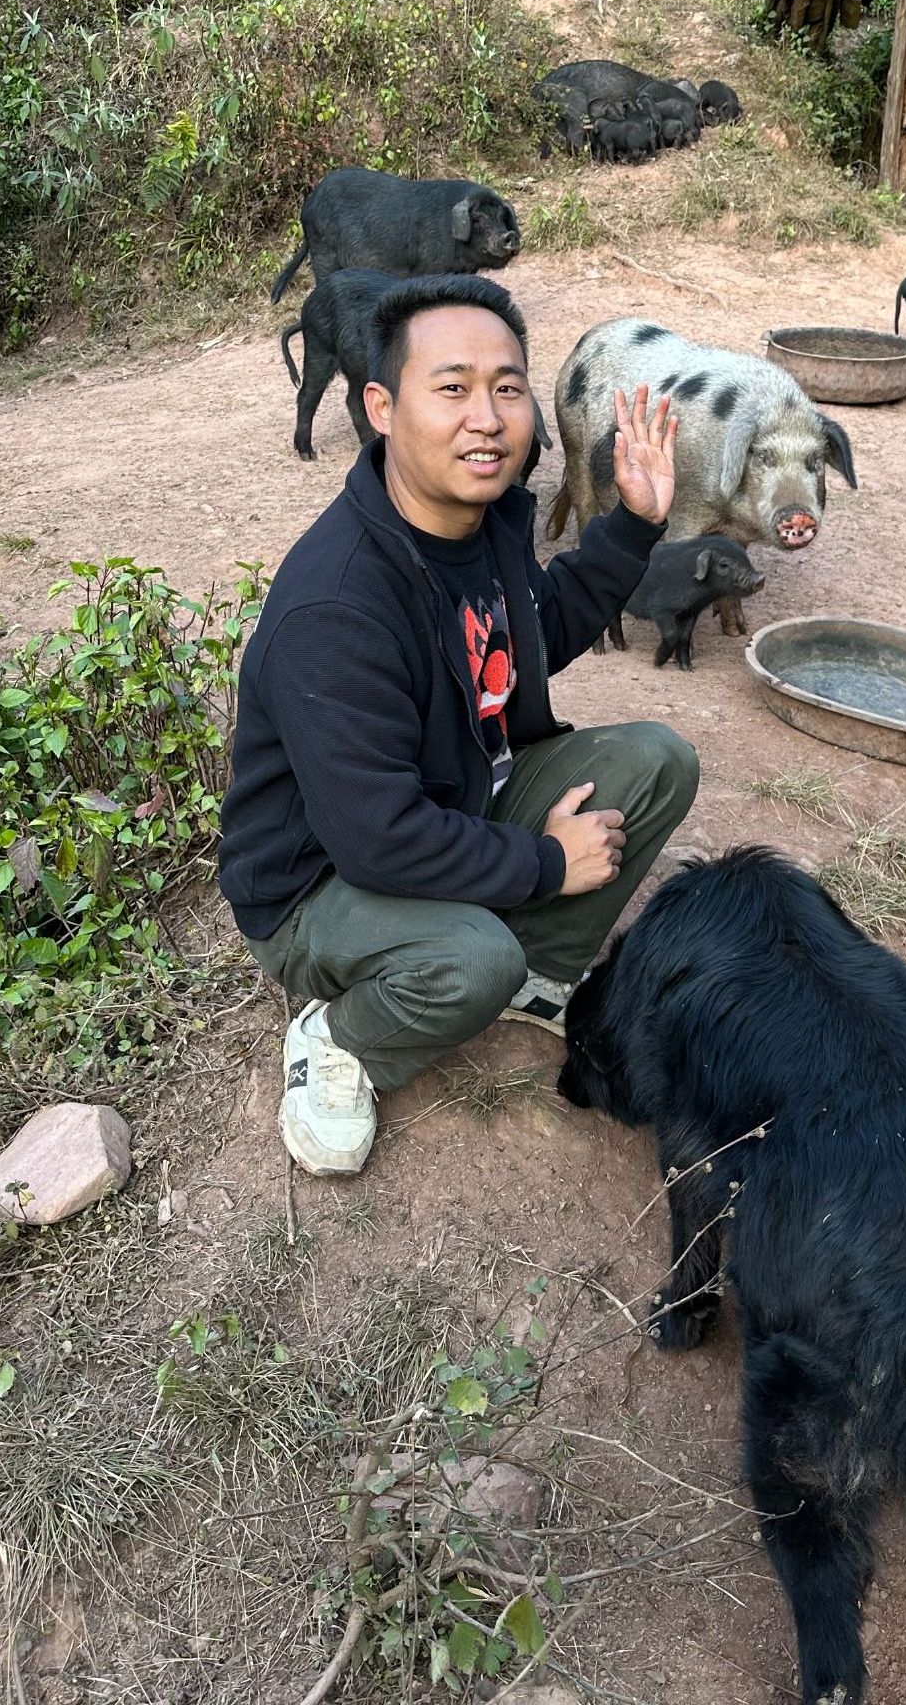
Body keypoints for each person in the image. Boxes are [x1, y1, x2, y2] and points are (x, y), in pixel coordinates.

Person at [217, 273, 698, 1176]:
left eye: (507, 388)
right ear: (382, 407)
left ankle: (533, 973)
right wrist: (547, 864)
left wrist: (634, 527)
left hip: (453, 800)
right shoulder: (338, 606)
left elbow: (529, 638)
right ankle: (342, 1037)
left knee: (656, 761)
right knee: (469, 960)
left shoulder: (484, 522)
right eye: (452, 388)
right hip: (316, 887)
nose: (488, 417)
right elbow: (378, 841)